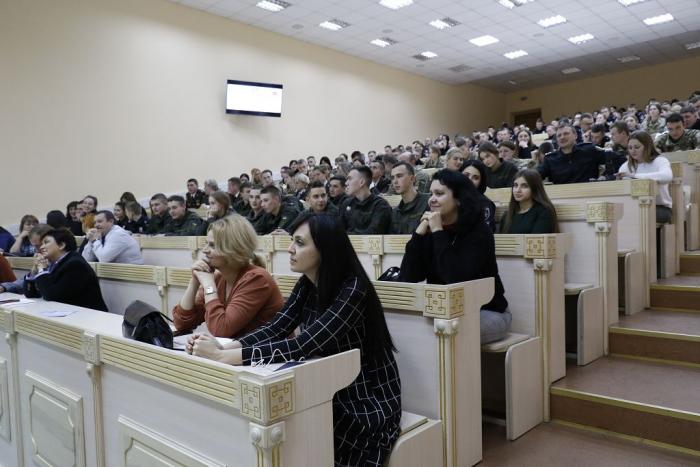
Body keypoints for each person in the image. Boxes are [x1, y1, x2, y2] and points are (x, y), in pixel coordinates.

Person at [188, 213, 401, 466]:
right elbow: (275, 328)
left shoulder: (353, 288)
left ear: (325, 249)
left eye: (299, 243)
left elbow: (303, 345)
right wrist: (226, 346)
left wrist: (223, 356)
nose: (289, 249)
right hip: (325, 381)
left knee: (295, 430)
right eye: (292, 241)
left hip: (363, 397)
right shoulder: (306, 284)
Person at [398, 170, 511, 344]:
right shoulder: (431, 229)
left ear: (458, 199)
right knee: (407, 329)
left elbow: (456, 279)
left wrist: (438, 232)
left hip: (487, 310)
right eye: (431, 193)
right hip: (445, 312)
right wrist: (418, 235)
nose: (432, 199)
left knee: (443, 332)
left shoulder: (479, 232)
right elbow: (407, 277)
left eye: (439, 193)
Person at [173, 216, 283, 337]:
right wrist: (194, 281)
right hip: (236, 348)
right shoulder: (218, 278)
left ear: (232, 249)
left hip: (267, 349)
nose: (204, 250)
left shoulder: (257, 279)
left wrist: (208, 285)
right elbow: (181, 324)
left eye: (212, 245)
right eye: (206, 243)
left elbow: (221, 329)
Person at [24, 228, 108, 311]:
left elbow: (51, 296)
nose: (41, 247)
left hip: (89, 315)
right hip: (68, 312)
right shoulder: (54, 263)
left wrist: (42, 269)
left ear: (61, 245)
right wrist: (34, 272)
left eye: (46, 242)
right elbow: (30, 294)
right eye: (41, 244)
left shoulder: (75, 264)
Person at [538, 122, 625, 184]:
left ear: (575, 136)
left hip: (590, 196)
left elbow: (619, 159)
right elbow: (536, 175)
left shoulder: (589, 150)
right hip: (562, 198)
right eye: (559, 135)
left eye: (566, 133)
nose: (562, 137)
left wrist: (609, 177)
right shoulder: (550, 159)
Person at [617, 131, 673, 224]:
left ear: (647, 146)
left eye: (637, 147)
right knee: (619, 215)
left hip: (660, 207)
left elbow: (667, 176)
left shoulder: (660, 161)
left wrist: (634, 176)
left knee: (637, 214)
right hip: (633, 206)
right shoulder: (625, 166)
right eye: (630, 148)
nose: (633, 151)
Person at [500, 169, 558, 234]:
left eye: (524, 186)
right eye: (515, 185)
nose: (518, 190)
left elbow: (537, 239)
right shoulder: (507, 214)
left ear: (534, 188)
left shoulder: (544, 211)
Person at [0, 225, 52, 294]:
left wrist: (43, 269)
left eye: (40, 245)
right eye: (35, 246)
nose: (38, 250)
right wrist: (4, 287)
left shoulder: (61, 263)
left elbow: (49, 292)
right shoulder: (42, 258)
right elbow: (24, 283)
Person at [341, 166, 392, 234]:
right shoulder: (347, 203)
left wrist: (347, 235)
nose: (346, 183)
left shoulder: (380, 205)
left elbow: (374, 232)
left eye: (350, 179)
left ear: (361, 182)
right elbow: (339, 229)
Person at [389, 162, 429, 234]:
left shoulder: (429, 201)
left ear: (412, 178)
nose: (395, 181)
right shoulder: (395, 213)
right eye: (392, 178)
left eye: (399, 176)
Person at [461, 159, 496, 232]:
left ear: (481, 182)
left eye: (475, 178)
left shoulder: (485, 204)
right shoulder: (449, 197)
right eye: (466, 175)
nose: (469, 180)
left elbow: (484, 234)